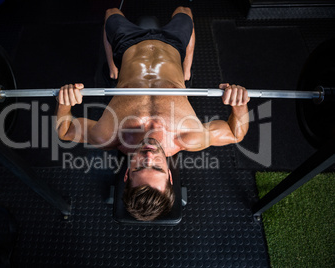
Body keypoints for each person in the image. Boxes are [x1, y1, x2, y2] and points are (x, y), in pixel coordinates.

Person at [56, 7, 250, 221]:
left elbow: (65, 131)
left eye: (141, 165)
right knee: (184, 11)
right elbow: (234, 133)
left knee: (111, 12)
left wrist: (65, 102)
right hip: (173, 47)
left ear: (128, 173)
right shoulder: (188, 136)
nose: (148, 156)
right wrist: (238, 102)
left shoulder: (109, 135)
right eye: (156, 166)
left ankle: (113, 69)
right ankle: (185, 70)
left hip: (128, 45)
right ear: (169, 175)